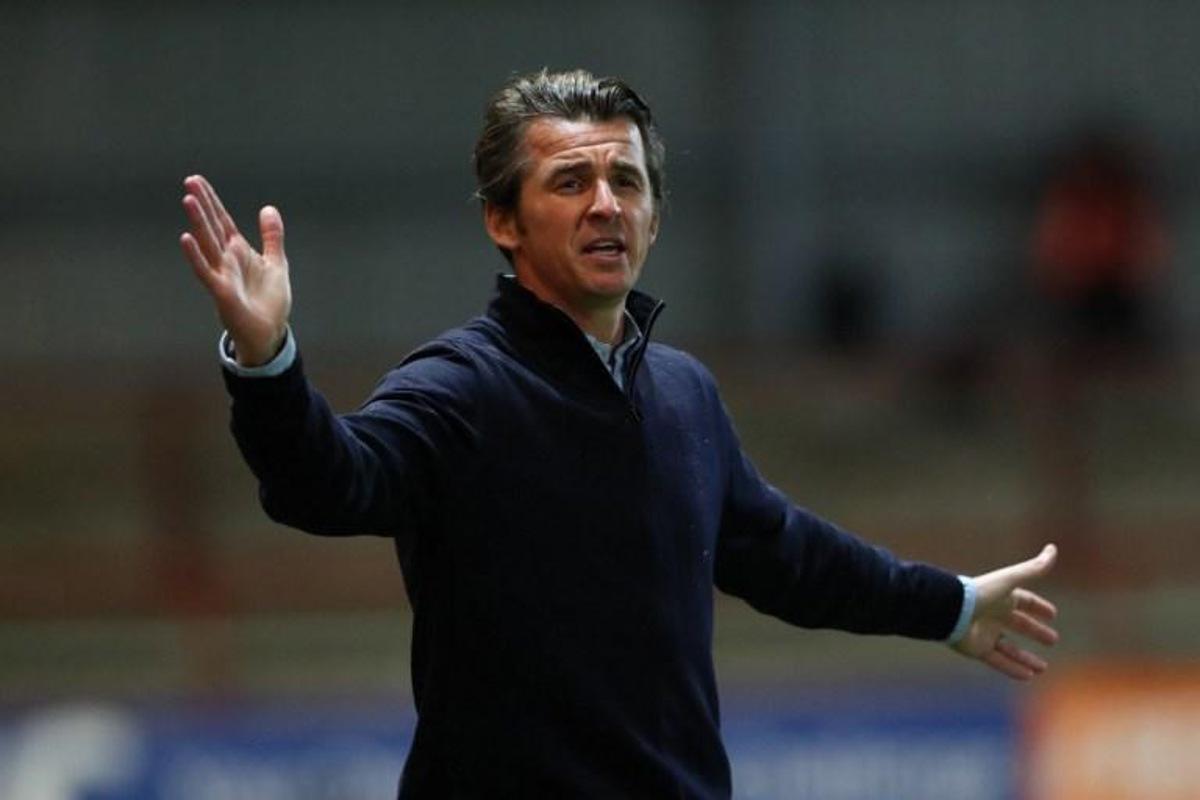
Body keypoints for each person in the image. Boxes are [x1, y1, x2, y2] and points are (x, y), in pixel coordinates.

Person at [179, 69, 1059, 799]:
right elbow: (329, 484)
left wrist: (948, 606)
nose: (606, 205)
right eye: (571, 183)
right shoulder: (462, 387)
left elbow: (783, 552)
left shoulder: (684, 393)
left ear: (654, 216)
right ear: (503, 222)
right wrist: (267, 361)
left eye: (626, 182)